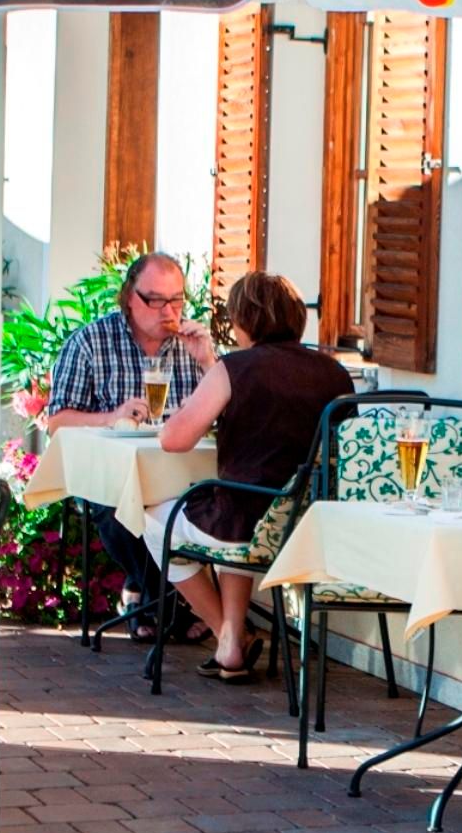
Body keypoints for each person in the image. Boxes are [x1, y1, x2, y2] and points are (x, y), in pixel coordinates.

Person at [157, 272, 352, 680]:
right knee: (236, 504)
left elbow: (174, 440)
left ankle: (227, 632)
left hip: (245, 524)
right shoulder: (335, 373)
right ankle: (231, 645)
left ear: (242, 321)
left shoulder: (237, 368)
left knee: (156, 517)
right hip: (310, 525)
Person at [42, 251, 212, 630]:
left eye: (177, 299)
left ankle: (144, 596)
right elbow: (57, 422)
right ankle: (168, 607)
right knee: (120, 511)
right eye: (156, 300)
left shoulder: (192, 346)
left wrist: (208, 363)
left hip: (179, 475)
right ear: (129, 298)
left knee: (190, 507)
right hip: (112, 477)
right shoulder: (90, 342)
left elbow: (227, 412)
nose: (168, 310)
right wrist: (112, 417)